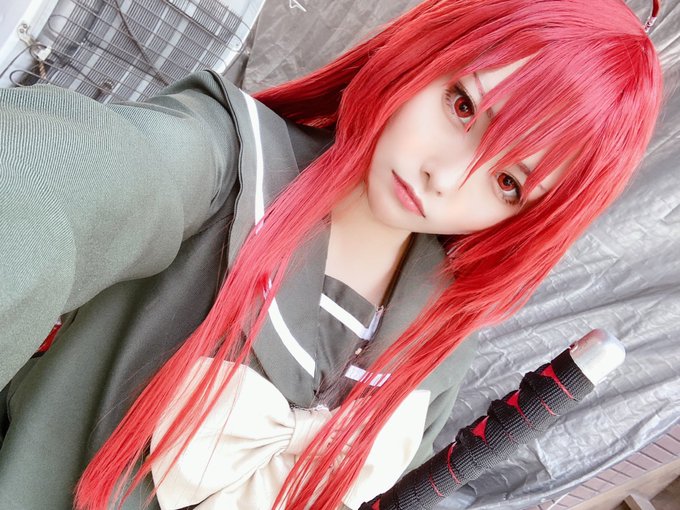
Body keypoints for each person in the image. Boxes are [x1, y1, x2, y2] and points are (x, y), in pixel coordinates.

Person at [0, 0, 662, 509]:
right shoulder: (221, 165)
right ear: (427, 49)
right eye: (464, 106)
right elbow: (47, 182)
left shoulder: (434, 343)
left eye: (508, 183)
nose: (445, 178)